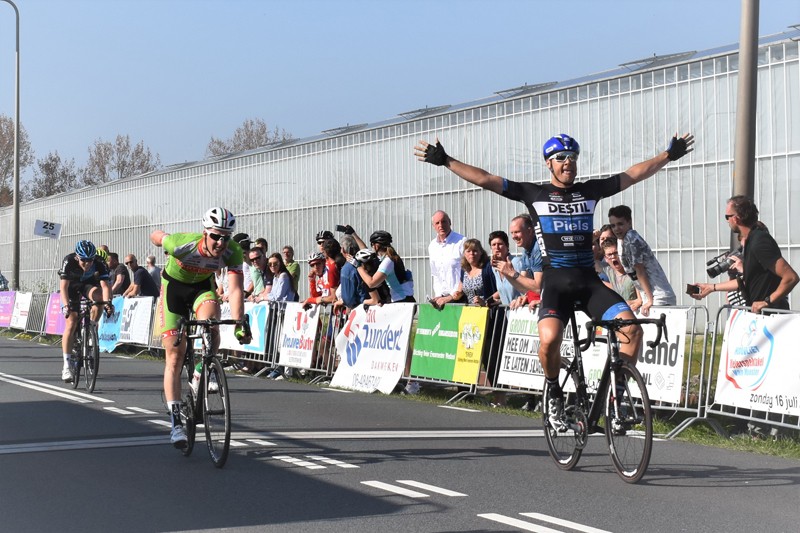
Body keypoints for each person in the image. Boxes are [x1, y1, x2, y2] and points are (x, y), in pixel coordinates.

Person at [415, 131, 694, 429]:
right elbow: (486, 179)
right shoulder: (534, 194)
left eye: (572, 157)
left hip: (589, 283)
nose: (568, 163)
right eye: (561, 158)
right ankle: (554, 394)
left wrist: (668, 155)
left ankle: (618, 397)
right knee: (549, 341)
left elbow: (633, 174)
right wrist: (446, 161)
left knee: (632, 331)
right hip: (555, 285)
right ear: (548, 164)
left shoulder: (589, 191)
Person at [149, 207, 250, 448]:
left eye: (226, 237)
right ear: (205, 233)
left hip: (202, 288)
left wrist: (239, 323)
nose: (221, 242)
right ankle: (175, 423)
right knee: (174, 355)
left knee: (211, 322)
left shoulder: (232, 252)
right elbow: (157, 235)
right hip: (173, 289)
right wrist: (161, 241)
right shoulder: (183, 244)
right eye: (216, 236)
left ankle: (198, 373)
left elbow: (235, 289)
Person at [691, 196, 798, 312]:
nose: (727, 221)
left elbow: (791, 277)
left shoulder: (759, 241)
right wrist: (711, 287)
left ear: (736, 219)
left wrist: (767, 301)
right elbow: (748, 280)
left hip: (770, 318)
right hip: (758, 315)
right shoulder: (751, 241)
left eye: (727, 217)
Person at [57, 240, 113, 381]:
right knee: (72, 321)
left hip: (88, 285)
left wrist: (108, 303)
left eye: (90, 260)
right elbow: (63, 287)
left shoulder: (100, 262)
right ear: (77, 257)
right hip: (71, 287)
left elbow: (106, 286)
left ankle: (92, 326)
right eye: (83, 260)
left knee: (100, 298)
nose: (87, 264)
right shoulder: (69, 261)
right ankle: (66, 366)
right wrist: (65, 306)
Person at [608, 204, 676, 315]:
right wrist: (641, 298)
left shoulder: (631, 238)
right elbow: (633, 274)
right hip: (648, 295)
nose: (616, 229)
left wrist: (650, 300)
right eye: (613, 225)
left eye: (620, 224)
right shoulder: (621, 240)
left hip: (658, 296)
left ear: (629, 223)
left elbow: (640, 271)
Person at [491, 214, 543, 309]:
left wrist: (511, 273)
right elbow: (524, 287)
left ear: (530, 231)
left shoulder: (538, 248)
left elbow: (538, 288)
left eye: (517, 232)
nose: (514, 236)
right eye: (512, 233)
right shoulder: (525, 252)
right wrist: (506, 272)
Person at [354, 230, 415, 303]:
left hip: (401, 301)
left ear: (376, 246)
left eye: (372, 245)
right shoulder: (394, 257)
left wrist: (358, 266)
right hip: (405, 299)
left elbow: (371, 283)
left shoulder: (387, 261)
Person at [428, 210, 466, 309]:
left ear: (450, 222)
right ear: (433, 226)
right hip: (442, 300)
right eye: (437, 223)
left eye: (443, 221)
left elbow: (468, 272)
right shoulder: (432, 246)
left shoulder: (461, 241)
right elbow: (435, 274)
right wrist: (438, 295)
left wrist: (453, 296)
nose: (441, 225)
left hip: (460, 299)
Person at [601, 239, 642, 313]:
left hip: (635, 313)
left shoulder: (632, 271)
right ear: (606, 258)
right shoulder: (608, 271)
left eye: (615, 253)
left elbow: (640, 300)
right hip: (618, 315)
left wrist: (631, 303)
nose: (613, 256)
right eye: (609, 255)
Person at [487, 230, 522, 306]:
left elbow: (526, 287)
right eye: (493, 245)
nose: (497, 247)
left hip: (523, 312)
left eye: (500, 244)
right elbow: (503, 290)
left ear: (507, 245)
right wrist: (487, 301)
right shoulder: (495, 267)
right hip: (509, 314)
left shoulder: (517, 262)